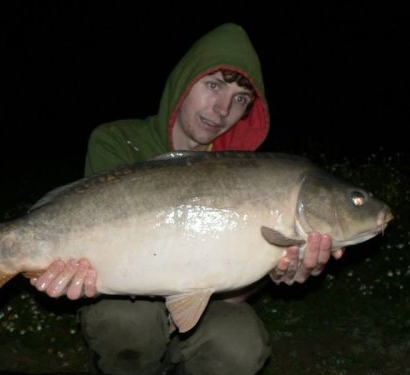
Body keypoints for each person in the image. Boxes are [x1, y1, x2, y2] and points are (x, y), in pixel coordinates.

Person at [31, 23, 344, 375]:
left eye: (240, 99)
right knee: (128, 323)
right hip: (123, 297)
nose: (222, 109)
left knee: (239, 344)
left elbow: (233, 295)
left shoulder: (251, 178)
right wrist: (67, 269)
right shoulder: (118, 141)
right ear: (183, 84)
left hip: (208, 299)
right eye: (213, 86)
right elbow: (95, 240)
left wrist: (277, 270)